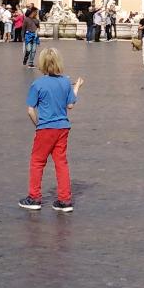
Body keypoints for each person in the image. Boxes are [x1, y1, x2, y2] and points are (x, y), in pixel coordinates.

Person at [21, 47, 84, 212]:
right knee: (61, 163)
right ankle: (65, 200)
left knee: (37, 162)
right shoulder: (65, 81)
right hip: (63, 128)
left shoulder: (37, 84)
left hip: (45, 128)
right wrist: (77, 86)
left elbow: (30, 110)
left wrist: (38, 125)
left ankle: (34, 197)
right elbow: (70, 105)